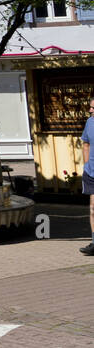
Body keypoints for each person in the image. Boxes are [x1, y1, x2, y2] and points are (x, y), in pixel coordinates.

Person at [81, 97, 94, 256]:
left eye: (93, 108)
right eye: (90, 107)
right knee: (92, 208)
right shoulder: (89, 123)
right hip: (91, 172)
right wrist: (86, 165)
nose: (90, 110)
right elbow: (85, 144)